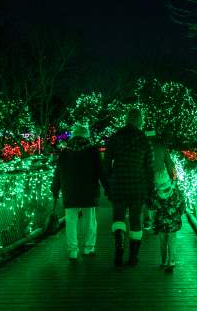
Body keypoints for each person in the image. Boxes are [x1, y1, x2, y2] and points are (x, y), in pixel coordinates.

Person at [104, 108, 154, 267]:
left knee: (118, 217)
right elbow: (149, 169)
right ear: (139, 120)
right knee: (135, 220)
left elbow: (106, 164)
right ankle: (133, 257)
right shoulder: (144, 140)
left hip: (118, 184)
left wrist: (108, 184)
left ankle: (119, 248)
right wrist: (150, 191)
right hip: (138, 186)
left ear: (126, 119)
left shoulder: (115, 137)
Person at [51, 123, 106, 260]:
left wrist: (55, 188)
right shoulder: (93, 151)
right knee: (90, 220)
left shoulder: (64, 152)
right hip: (89, 192)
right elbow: (101, 172)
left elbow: (58, 173)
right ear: (86, 135)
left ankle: (73, 251)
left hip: (70, 192)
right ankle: (88, 248)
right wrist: (108, 188)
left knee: (71, 220)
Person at [153, 173, 186, 273]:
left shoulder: (156, 194)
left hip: (161, 222)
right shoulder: (176, 193)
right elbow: (182, 205)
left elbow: (153, 207)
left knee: (163, 242)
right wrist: (178, 214)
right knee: (172, 241)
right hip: (173, 222)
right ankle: (171, 261)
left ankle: (163, 260)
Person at [144, 130, 175, 232]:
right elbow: (169, 163)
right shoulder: (161, 145)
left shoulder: (141, 144)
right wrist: (173, 176)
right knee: (161, 197)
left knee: (148, 198)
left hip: (145, 176)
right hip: (160, 176)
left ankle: (148, 220)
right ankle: (159, 220)